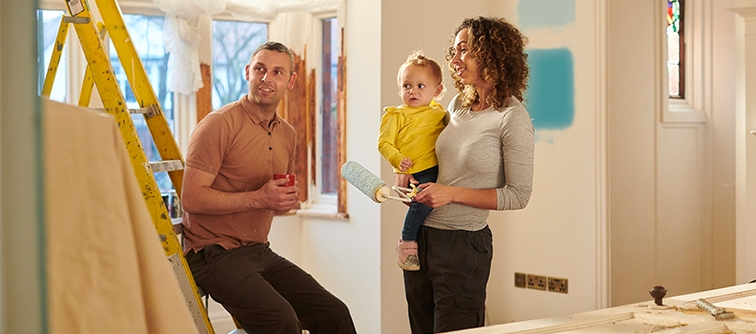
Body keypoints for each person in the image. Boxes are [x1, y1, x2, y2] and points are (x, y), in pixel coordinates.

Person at [180, 41, 357, 334]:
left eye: (277, 72)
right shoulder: (218, 124)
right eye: (260, 69)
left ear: (290, 82)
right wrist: (259, 198)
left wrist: (282, 200)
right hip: (212, 254)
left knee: (334, 313)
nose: (266, 78)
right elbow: (192, 199)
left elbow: (270, 200)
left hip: (258, 251)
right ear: (248, 72)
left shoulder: (287, 133)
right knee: (283, 322)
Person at [398, 16, 535, 333]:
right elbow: (440, 162)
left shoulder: (512, 119)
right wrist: (411, 181)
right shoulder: (459, 104)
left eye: (465, 51)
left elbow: (519, 195)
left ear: (492, 54)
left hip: (462, 249)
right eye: (454, 51)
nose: (454, 60)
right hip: (421, 237)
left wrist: (450, 193)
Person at [378, 51, 449, 272]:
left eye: (420, 86)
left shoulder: (440, 112)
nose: (413, 91)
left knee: (431, 206)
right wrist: (399, 161)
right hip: (417, 172)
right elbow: (384, 143)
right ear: (399, 89)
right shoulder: (395, 115)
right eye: (407, 86)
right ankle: (407, 242)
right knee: (421, 205)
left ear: (437, 91)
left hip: (440, 170)